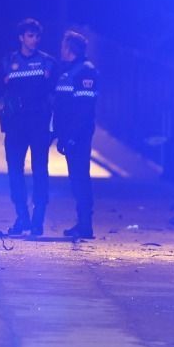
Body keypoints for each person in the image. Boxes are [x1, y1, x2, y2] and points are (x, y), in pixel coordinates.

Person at [0, 17, 56, 235]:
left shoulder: (48, 63)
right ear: (21, 38)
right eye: (30, 36)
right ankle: (22, 217)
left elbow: (57, 94)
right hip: (16, 125)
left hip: (38, 124)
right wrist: (3, 82)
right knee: (15, 171)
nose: (34, 40)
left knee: (40, 171)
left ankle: (38, 219)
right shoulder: (8, 62)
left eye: (37, 36)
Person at [53, 30, 99, 239]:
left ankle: (85, 225)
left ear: (70, 49)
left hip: (78, 137)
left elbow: (84, 110)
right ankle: (81, 223)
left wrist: (72, 137)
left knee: (81, 179)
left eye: (63, 46)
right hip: (69, 136)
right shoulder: (69, 71)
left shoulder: (84, 72)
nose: (61, 50)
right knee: (76, 179)